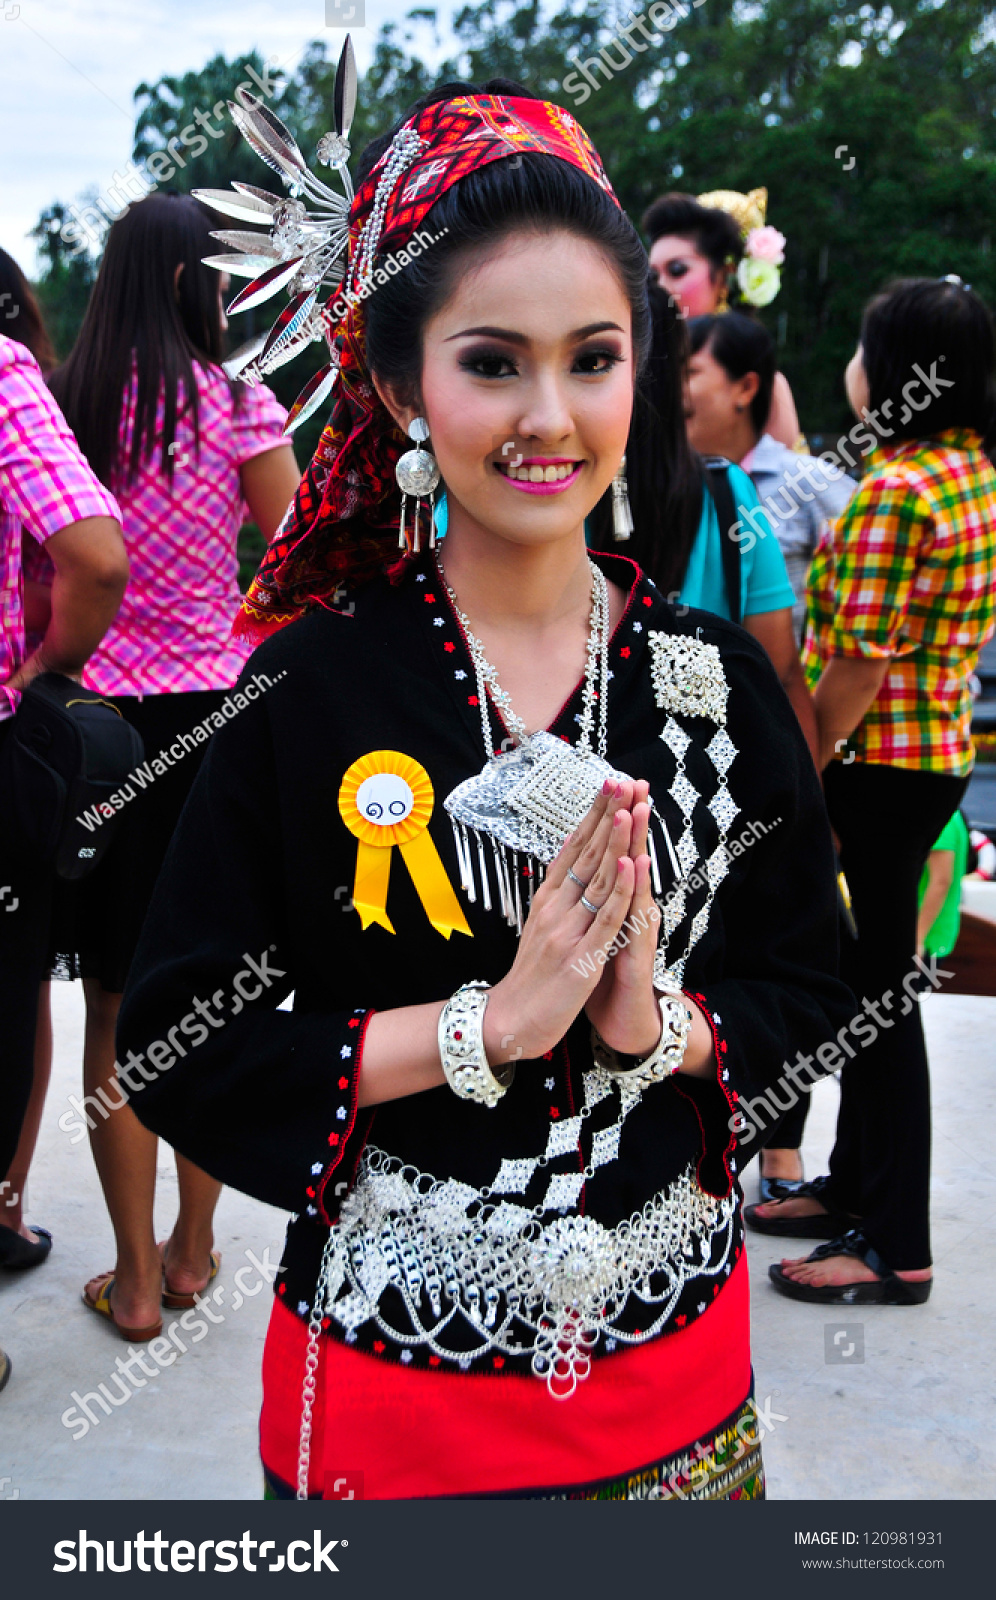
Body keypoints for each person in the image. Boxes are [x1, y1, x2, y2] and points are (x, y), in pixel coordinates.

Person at [119, 78, 853, 1501]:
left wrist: (665, 1031)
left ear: (643, 364)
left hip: (678, 1393)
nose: (550, 417)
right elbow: (180, 1043)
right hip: (396, 1408)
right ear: (399, 386)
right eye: (492, 362)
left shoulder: (712, 689)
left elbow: (813, 999)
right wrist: (483, 1030)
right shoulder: (309, 694)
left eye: (593, 358)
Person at [45, 193, 300, 1342]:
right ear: (211, 284)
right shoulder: (243, 404)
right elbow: (294, 562)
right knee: (214, 987)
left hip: (99, 721)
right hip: (221, 717)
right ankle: (197, 1250)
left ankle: (134, 1279)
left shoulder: (71, 408)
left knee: (113, 996)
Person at [752, 277, 996, 1304]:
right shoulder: (969, 472)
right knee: (871, 992)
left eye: (862, 345)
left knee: (883, 1004)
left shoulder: (896, 491)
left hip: (873, 767)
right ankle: (853, 1184)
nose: (852, 365)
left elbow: (851, 670)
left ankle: (895, 1245)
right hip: (933, 758)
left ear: (895, 371)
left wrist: (802, 780)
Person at [0, 332, 127, 1374]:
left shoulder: (82, 385)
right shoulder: (6, 373)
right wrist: (42, 666)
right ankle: (166, 1259)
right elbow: (93, 552)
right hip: (145, 727)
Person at [643, 189, 801, 449]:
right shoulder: (636, 367)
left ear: (725, 276)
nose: (660, 288)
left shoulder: (765, 385)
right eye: (653, 276)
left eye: (677, 270)